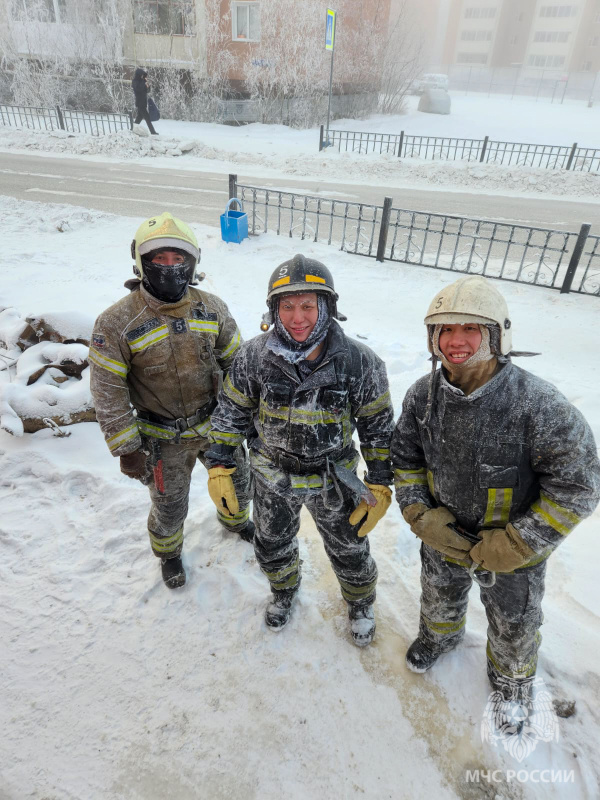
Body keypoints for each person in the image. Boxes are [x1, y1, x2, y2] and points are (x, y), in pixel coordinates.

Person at [391, 275, 600, 699]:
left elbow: (578, 486)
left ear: (497, 335)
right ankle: (441, 637)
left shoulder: (537, 405)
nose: (456, 340)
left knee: (515, 622)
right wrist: (419, 515)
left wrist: (520, 544)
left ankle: (511, 680)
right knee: (438, 596)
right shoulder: (422, 396)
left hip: (511, 549)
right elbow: (406, 459)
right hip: (443, 535)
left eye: (471, 328)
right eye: (445, 329)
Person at [205, 255, 394, 646]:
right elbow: (232, 412)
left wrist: (380, 482)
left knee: (350, 546)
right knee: (272, 543)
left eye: (308, 305)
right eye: (287, 306)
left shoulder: (360, 363)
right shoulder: (253, 356)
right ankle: (284, 590)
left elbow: (378, 430)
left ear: (327, 307)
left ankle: (360, 601)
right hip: (273, 475)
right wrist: (219, 465)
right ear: (273, 309)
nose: (297, 317)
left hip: (333, 478)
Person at [89, 212, 252, 589]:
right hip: (161, 440)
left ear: (192, 262)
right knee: (169, 507)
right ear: (141, 261)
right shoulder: (116, 322)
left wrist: (247, 421)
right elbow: (107, 389)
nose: (169, 267)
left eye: (178, 259)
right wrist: (126, 447)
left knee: (240, 488)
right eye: (159, 259)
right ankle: (169, 554)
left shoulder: (211, 308)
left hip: (217, 428)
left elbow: (239, 368)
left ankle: (236, 522)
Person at [132, 67, 157, 135]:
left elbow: (147, 91)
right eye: (142, 75)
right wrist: (144, 82)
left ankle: (132, 129)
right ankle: (153, 132)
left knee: (139, 117)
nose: (143, 76)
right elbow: (138, 89)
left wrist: (148, 86)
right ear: (138, 75)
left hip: (143, 102)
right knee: (147, 118)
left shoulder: (142, 81)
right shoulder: (135, 81)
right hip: (140, 102)